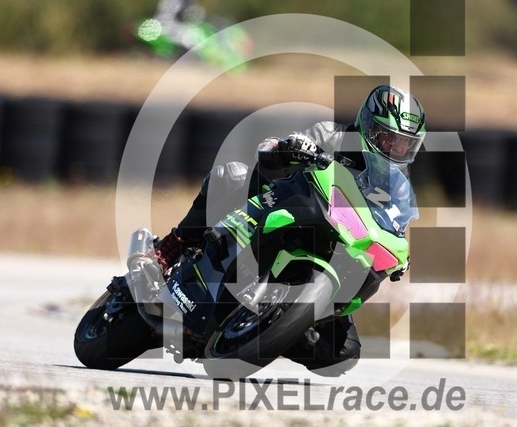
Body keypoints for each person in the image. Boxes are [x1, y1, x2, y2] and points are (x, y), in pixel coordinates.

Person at [155, 85, 426, 376]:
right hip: (290, 209)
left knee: (342, 353)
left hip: (339, 245)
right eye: (389, 137)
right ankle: (169, 248)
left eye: (405, 143)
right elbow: (269, 151)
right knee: (230, 176)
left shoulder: (397, 181)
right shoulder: (331, 135)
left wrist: (400, 252)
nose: (396, 148)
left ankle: (271, 330)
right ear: (369, 126)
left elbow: (394, 222)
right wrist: (290, 148)